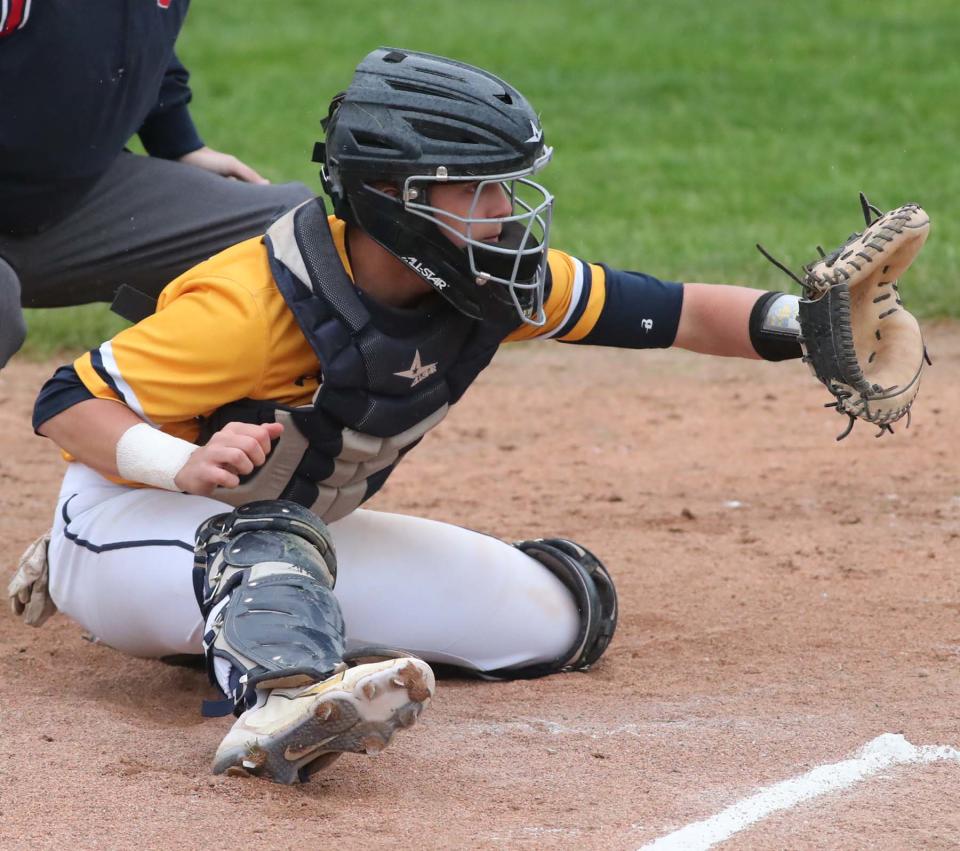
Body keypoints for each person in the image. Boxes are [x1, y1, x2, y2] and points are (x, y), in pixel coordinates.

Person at [14, 48, 803, 785]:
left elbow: (676, 312)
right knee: (267, 545)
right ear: (396, 197)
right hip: (126, 522)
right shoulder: (250, 302)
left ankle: (262, 626)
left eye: (509, 185)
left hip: (289, 537)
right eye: (479, 188)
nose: (504, 212)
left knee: (565, 614)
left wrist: (810, 324)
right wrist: (177, 464)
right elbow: (65, 402)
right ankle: (281, 697)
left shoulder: (486, 282)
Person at [0, 0, 313, 367]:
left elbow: (137, 41)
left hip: (70, 204)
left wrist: (179, 144)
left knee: (288, 236)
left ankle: (219, 414)